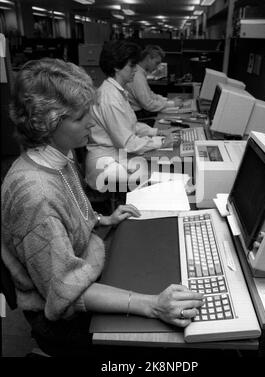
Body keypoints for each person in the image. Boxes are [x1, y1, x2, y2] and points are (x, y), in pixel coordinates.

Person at [1, 58, 204, 356]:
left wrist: (102, 218)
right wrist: (150, 305)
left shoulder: (59, 156)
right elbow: (65, 292)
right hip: (62, 320)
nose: (92, 122)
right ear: (49, 123)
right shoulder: (35, 195)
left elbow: (66, 214)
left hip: (86, 268)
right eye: (82, 116)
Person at [85, 40, 180, 192]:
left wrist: (158, 132)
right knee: (163, 179)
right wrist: (161, 142)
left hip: (118, 156)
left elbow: (132, 126)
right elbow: (129, 144)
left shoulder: (117, 91)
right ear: (117, 66)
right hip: (105, 166)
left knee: (163, 173)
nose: (136, 70)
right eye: (131, 65)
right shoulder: (110, 98)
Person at [126, 45, 183, 120]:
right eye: (156, 63)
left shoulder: (140, 73)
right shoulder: (137, 76)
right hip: (139, 116)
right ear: (148, 58)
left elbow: (150, 94)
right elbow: (148, 104)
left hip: (141, 113)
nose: (157, 67)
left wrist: (168, 100)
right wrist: (172, 104)